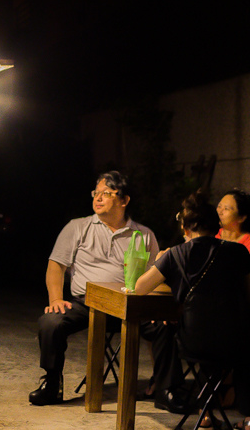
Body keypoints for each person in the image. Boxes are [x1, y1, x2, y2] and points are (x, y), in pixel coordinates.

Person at [32, 171, 184, 412]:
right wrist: (56, 298)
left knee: (164, 325)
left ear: (124, 200)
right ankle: (52, 383)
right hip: (86, 302)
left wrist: (154, 306)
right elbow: (56, 266)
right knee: (50, 322)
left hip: (130, 303)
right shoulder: (77, 227)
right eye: (96, 193)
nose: (98, 198)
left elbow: (157, 276)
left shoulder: (143, 235)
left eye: (106, 193)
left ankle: (166, 390)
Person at [135, 191, 250, 430]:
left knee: (207, 335)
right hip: (237, 341)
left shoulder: (176, 253)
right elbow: (248, 296)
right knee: (248, 340)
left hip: (195, 342)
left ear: (186, 227)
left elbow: (140, 287)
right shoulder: (238, 252)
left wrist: (161, 263)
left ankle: (205, 416)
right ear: (213, 224)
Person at [216, 189, 250, 264]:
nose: (219, 212)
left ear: (241, 218)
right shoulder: (211, 234)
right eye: (219, 206)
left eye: (226, 209)